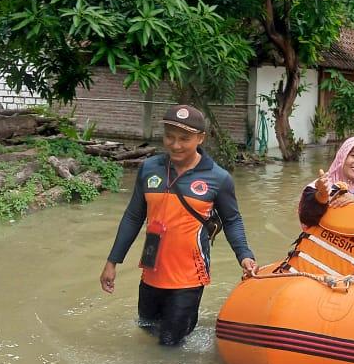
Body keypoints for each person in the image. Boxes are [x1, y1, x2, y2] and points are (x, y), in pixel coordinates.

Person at [100, 104, 257, 346]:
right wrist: (112, 262)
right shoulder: (149, 169)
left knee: (170, 344)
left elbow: (232, 220)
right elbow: (133, 216)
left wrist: (244, 255)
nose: (175, 145)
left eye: (184, 138)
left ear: (200, 138)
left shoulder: (218, 178)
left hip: (189, 278)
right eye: (169, 137)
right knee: (147, 330)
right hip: (151, 274)